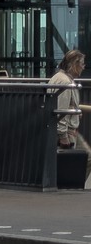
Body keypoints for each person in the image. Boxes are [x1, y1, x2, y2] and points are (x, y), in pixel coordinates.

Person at [50, 50, 91, 185]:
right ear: (74, 65)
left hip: (67, 130)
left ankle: (71, 183)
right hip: (67, 131)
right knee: (86, 158)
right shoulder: (65, 82)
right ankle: (72, 184)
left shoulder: (60, 77)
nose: (83, 67)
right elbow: (61, 110)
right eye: (82, 64)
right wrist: (63, 135)